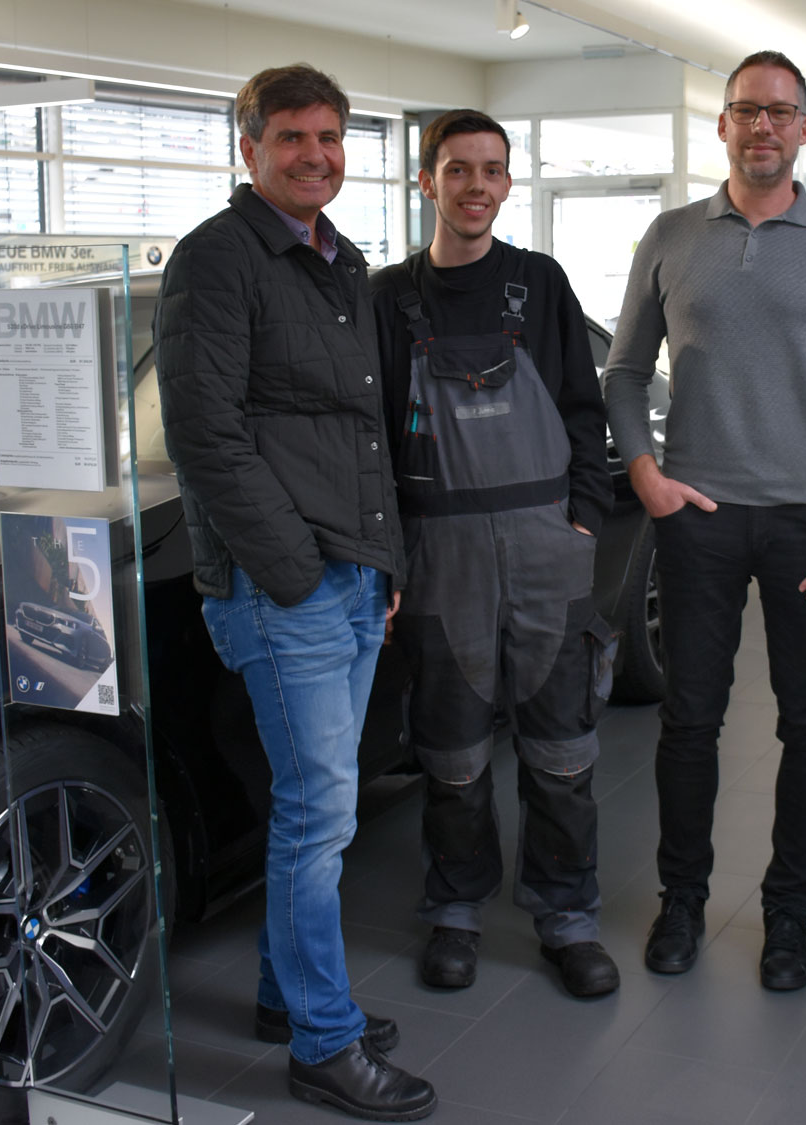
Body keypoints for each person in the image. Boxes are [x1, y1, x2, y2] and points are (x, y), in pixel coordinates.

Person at [156, 63, 436, 1121]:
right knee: (317, 818)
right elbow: (206, 438)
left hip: (349, 579)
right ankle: (325, 1042)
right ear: (249, 147)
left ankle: (285, 998)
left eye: (329, 137)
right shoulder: (216, 260)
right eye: (290, 138)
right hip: (288, 589)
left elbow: (364, 433)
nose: (313, 154)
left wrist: (384, 564)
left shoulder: (334, 262)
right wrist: (296, 570)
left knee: (313, 808)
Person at [601, 50, 806, 991]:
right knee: (690, 719)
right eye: (745, 111)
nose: (763, 127)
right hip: (699, 515)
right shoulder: (672, 235)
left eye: (781, 112)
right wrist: (644, 470)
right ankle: (682, 901)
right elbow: (625, 369)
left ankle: (788, 919)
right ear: (721, 126)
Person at [371, 110, 620, 999]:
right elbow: (372, 441)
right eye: (457, 170)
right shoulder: (388, 297)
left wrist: (583, 519)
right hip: (440, 550)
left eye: (491, 170)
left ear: (508, 184)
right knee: (453, 754)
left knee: (563, 750)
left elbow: (584, 413)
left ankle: (567, 917)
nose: (475, 185)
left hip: (544, 540)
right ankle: (455, 910)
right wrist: (391, 555)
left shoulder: (541, 284)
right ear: (427, 182)